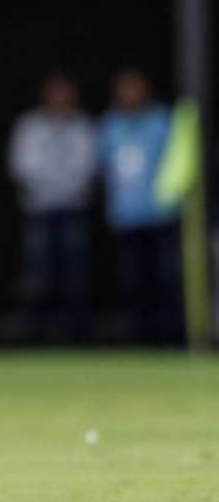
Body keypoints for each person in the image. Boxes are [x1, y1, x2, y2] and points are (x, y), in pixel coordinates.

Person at [8, 72, 97, 342]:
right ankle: (35, 334)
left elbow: (89, 167)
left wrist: (65, 186)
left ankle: (78, 334)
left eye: (65, 92)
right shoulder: (29, 125)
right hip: (39, 209)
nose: (60, 98)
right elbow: (21, 167)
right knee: (38, 274)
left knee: (75, 274)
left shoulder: (83, 125)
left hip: (72, 207)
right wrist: (48, 186)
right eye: (54, 92)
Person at [97, 69, 181, 344]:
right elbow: (103, 168)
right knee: (134, 282)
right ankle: (139, 338)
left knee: (166, 279)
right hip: (126, 216)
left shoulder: (162, 122)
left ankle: (171, 337)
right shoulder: (110, 125)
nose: (131, 94)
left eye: (136, 87)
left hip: (161, 214)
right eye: (126, 88)